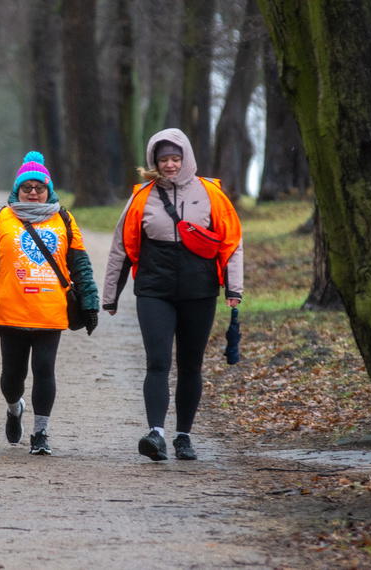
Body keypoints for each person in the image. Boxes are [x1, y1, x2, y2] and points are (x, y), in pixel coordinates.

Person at [103, 128, 243, 462]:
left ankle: (184, 436)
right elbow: (121, 247)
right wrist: (110, 296)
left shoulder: (212, 194)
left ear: (186, 159)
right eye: (164, 159)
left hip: (200, 290)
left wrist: (233, 288)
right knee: (158, 362)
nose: (170, 165)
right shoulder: (141, 197)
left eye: (175, 158)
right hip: (155, 290)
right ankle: (156, 435)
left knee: (190, 365)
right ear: (154, 161)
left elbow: (231, 243)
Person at [0, 152, 99, 456]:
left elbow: (81, 265)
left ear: (48, 189)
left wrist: (90, 302)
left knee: (44, 369)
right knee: (12, 378)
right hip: (11, 310)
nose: (32, 193)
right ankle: (15, 409)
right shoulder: (1, 218)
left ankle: (40, 433)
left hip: (50, 310)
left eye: (38, 188)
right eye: (26, 187)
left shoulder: (64, 219)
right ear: (17, 189)